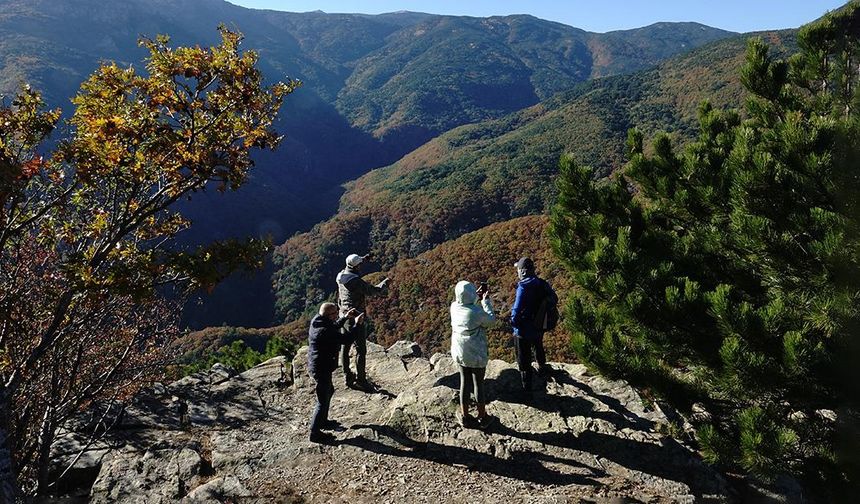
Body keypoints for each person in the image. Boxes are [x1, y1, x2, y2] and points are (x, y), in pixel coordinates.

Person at [307, 302, 363, 444]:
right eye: (335, 313)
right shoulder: (325, 331)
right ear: (329, 315)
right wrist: (357, 324)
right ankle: (314, 433)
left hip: (320, 365)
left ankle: (323, 422)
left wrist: (345, 318)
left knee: (329, 391)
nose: (337, 314)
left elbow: (333, 326)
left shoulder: (318, 321)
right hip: (321, 367)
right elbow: (346, 339)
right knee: (322, 399)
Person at [336, 253, 389, 391]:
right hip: (356, 317)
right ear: (356, 266)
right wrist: (384, 283)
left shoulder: (341, 275)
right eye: (360, 264)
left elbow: (351, 267)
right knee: (361, 349)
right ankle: (361, 380)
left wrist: (363, 259)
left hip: (343, 314)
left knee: (345, 347)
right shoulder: (355, 282)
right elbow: (373, 291)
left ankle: (347, 375)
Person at [450, 280, 496, 429]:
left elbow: (464, 302)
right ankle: (482, 417)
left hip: (460, 351)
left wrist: (475, 296)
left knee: (464, 381)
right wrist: (486, 301)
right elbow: (491, 321)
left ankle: (465, 416)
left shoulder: (454, 307)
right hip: (476, 354)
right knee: (478, 384)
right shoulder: (475, 313)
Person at [510, 257, 558, 398]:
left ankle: (527, 387)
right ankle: (542, 367)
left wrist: (514, 323)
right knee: (538, 345)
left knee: (523, 358)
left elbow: (516, 310)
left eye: (518, 269)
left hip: (523, 329)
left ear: (523, 272)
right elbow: (554, 298)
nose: (517, 272)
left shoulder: (523, 287)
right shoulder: (542, 283)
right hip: (538, 325)